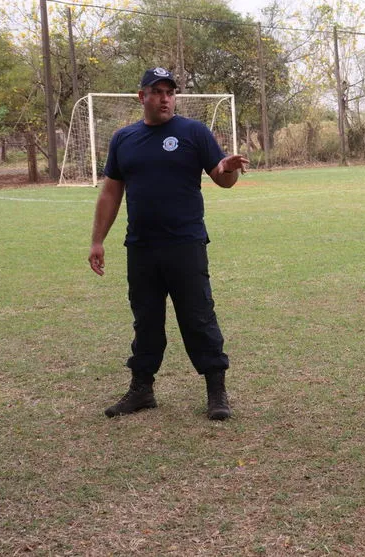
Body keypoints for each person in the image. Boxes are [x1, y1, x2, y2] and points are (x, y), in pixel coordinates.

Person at [88, 67, 249, 420]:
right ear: (141, 96)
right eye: (157, 91)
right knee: (145, 320)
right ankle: (142, 390)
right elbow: (111, 192)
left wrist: (228, 168)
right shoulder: (123, 139)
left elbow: (223, 180)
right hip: (141, 247)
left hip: (185, 244)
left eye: (170, 92)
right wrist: (97, 240)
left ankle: (216, 391)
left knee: (198, 317)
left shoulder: (194, 132)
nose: (164, 98)